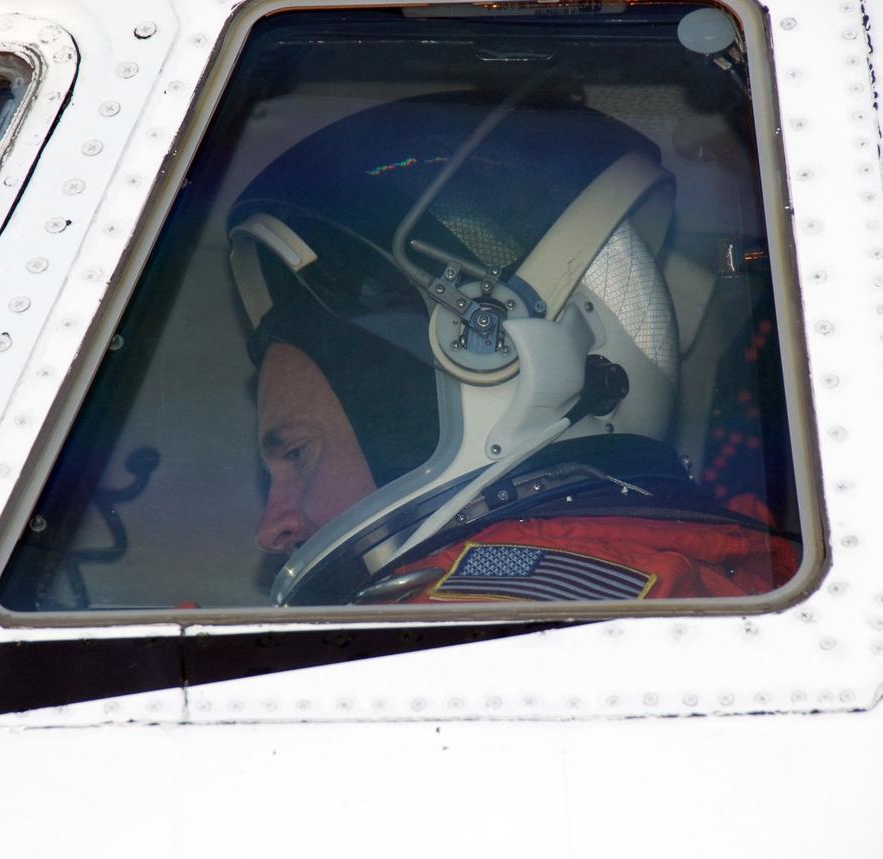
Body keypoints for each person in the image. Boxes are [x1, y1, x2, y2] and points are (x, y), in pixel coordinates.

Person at [231, 89, 800, 606]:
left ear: (503, 380)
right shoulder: (738, 582)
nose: (268, 529)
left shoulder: (461, 626)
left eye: (299, 454)